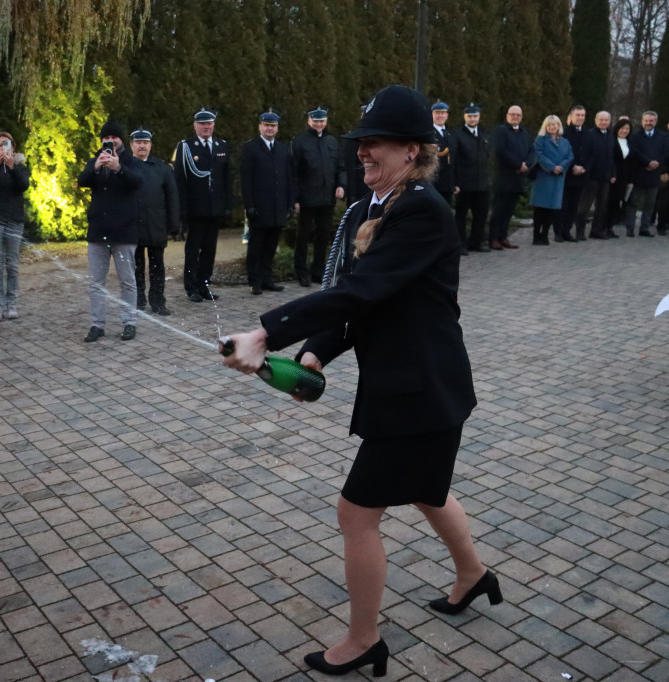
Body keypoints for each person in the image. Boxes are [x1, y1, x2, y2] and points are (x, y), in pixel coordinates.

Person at [221, 85, 496, 678]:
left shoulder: (423, 208)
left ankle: (365, 639)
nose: (363, 152)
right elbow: (365, 305)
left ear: (411, 150)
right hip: (418, 387)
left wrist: (267, 334)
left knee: (356, 513)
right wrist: (316, 354)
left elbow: (360, 291)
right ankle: (473, 576)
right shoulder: (383, 207)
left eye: (375, 143)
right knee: (426, 488)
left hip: (422, 391)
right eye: (360, 143)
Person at [77, 120, 144, 342]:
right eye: (106, 138)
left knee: (127, 280)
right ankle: (97, 324)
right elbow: (82, 180)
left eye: (114, 137)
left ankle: (129, 322)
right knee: (96, 282)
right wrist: (96, 167)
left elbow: (137, 182)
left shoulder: (131, 161)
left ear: (121, 140)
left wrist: (118, 168)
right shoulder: (94, 160)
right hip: (98, 231)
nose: (110, 141)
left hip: (124, 231)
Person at [174, 107, 231, 303]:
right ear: (195, 125)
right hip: (195, 208)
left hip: (214, 207)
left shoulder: (221, 145)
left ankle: (204, 284)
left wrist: (227, 204)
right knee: (193, 249)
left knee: (210, 249)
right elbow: (180, 180)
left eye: (209, 123)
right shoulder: (186, 147)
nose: (206, 127)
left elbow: (226, 178)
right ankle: (191, 287)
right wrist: (181, 209)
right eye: (202, 123)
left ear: (214, 124)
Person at [241, 110, 295, 295]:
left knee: (271, 245)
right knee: (256, 246)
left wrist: (290, 203)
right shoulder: (250, 148)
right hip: (260, 207)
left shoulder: (282, 149)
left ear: (277, 128)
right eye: (266, 125)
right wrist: (249, 205)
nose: (270, 128)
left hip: (278, 207)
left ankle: (266, 278)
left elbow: (288, 178)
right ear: (260, 127)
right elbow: (246, 180)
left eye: (273, 126)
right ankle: (254, 280)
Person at [291, 107, 346, 287]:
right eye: (315, 121)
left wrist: (341, 185)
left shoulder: (332, 141)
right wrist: (296, 199)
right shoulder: (300, 142)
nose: (319, 124)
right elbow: (294, 173)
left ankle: (318, 270)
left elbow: (340, 167)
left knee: (323, 236)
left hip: (326, 197)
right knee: (303, 237)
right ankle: (301, 271)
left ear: (326, 122)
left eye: (321, 121)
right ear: (309, 121)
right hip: (307, 198)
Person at [0, 131, 30, 322]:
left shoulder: (21, 166)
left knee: (13, 265)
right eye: (0, 144)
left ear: (13, 147)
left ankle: (12, 304)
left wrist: (12, 167)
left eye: (7, 144)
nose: (3, 148)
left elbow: (23, 185)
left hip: (14, 220)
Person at [130, 126, 180, 316]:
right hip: (133, 226)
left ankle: (158, 301)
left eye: (145, 143)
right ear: (131, 145)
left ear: (150, 145)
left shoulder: (162, 168)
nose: (142, 146)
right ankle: (138, 300)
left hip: (156, 225)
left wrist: (174, 225)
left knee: (157, 267)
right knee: (136, 267)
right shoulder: (124, 166)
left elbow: (172, 197)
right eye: (138, 143)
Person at [488, 105, 532, 250]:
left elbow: (532, 150)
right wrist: (518, 164)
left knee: (509, 211)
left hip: (518, 179)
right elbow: (501, 151)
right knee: (498, 210)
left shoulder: (524, 132)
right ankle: (493, 238)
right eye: (512, 114)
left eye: (518, 115)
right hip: (504, 177)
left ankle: (503, 236)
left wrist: (527, 164)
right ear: (507, 115)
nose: (515, 117)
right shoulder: (501, 131)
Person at [450, 102, 491, 254]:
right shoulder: (458, 135)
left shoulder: (484, 134)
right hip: (465, 183)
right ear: (464, 117)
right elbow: (454, 160)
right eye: (470, 116)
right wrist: (455, 182)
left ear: (479, 117)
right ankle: (461, 244)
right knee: (461, 215)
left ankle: (476, 242)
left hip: (482, 183)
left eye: (475, 116)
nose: (472, 119)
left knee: (481, 215)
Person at [531, 115, 573, 246]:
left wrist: (561, 167)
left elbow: (570, 156)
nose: (552, 127)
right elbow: (539, 155)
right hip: (544, 177)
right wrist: (551, 167)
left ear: (559, 126)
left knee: (551, 208)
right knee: (540, 208)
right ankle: (536, 235)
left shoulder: (565, 142)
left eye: (554, 124)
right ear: (546, 126)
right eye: (549, 125)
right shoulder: (541, 140)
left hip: (558, 178)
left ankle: (545, 235)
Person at [625, 111, 669, 238]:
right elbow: (635, 152)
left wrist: (657, 163)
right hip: (639, 173)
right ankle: (630, 228)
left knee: (650, 204)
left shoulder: (663, 136)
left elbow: (666, 152)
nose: (648, 123)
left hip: (654, 174)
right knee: (633, 202)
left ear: (655, 121)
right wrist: (648, 162)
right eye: (646, 120)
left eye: (651, 120)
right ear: (642, 121)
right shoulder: (635, 136)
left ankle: (645, 228)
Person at [577, 111, 616, 239]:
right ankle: (580, 231)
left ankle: (596, 231)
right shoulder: (589, 134)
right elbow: (584, 155)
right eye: (601, 120)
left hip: (606, 177)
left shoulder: (611, 136)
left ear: (609, 121)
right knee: (584, 206)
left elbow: (612, 157)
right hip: (591, 177)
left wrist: (613, 173)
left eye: (606, 120)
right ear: (595, 120)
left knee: (602, 206)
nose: (604, 122)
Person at [558, 105, 587, 242]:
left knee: (574, 205)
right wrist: (572, 167)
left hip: (581, 175)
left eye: (582, 115)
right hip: (566, 174)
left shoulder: (588, 134)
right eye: (578, 115)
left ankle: (567, 231)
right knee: (563, 204)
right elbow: (561, 153)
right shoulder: (563, 132)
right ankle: (558, 231)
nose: (580, 118)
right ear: (571, 116)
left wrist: (583, 168)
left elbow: (592, 154)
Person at [608, 118, 634, 232]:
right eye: (623, 128)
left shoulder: (630, 142)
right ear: (617, 128)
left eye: (627, 128)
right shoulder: (611, 140)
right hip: (613, 175)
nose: (625, 130)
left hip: (624, 176)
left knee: (617, 202)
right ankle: (604, 227)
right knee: (609, 201)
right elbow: (610, 159)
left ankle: (610, 227)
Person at [431, 101, 455, 206]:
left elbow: (455, 160)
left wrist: (454, 183)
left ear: (447, 115)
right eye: (437, 113)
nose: (440, 116)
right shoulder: (429, 133)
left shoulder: (450, 134)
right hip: (433, 182)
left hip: (447, 183)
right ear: (432, 115)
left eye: (442, 113)